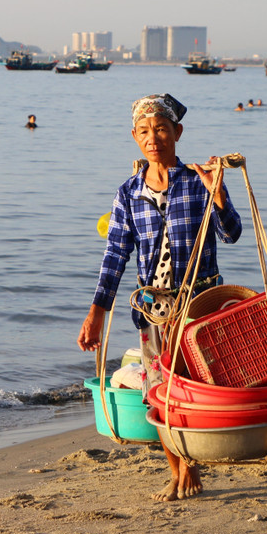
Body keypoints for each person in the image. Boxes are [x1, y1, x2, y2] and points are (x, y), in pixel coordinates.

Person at [77, 93, 243, 501]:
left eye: (162, 129)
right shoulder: (129, 193)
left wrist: (219, 196)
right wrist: (96, 313)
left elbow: (232, 233)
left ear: (177, 133)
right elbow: (115, 256)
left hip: (200, 305)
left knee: (195, 388)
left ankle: (191, 465)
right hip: (154, 310)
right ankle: (178, 469)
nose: (154, 138)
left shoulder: (198, 181)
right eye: (145, 131)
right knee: (158, 390)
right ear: (135, 137)